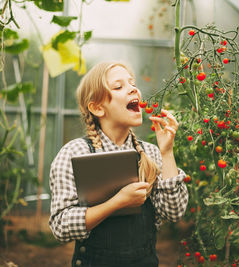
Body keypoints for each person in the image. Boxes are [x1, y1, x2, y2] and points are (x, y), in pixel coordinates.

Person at [49, 61, 189, 267]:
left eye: (132, 83)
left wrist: (167, 152)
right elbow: (60, 227)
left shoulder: (151, 153)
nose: (133, 88)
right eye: (118, 86)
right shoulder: (74, 153)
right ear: (97, 107)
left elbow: (174, 212)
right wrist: (117, 202)